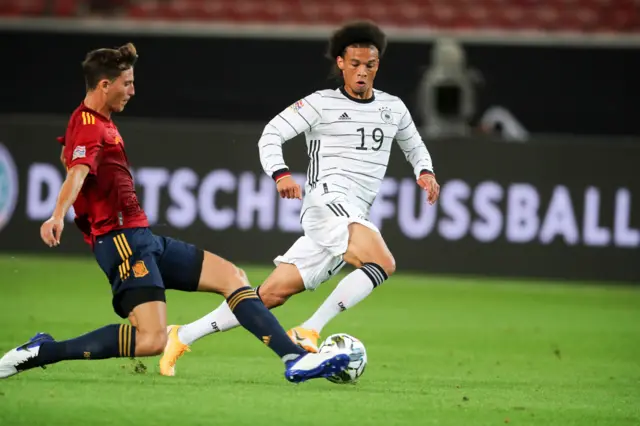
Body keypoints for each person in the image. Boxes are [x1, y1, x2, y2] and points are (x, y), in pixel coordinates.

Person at [0, 42, 349, 383]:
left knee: (233, 278)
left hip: (140, 237)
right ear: (105, 85)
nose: (132, 91)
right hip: (121, 241)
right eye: (127, 83)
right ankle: (42, 353)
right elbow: (77, 170)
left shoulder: (90, 120)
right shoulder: (91, 126)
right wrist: (58, 214)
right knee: (151, 340)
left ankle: (294, 358)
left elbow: (70, 160)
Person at [160, 20, 440, 376]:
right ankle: (311, 328)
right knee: (383, 262)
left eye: (369, 65)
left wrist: (425, 173)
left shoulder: (393, 108)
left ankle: (183, 334)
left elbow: (415, 148)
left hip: (355, 209)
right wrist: (280, 173)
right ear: (341, 63)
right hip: (328, 203)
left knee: (271, 294)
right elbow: (271, 133)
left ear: (377, 66)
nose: (361, 72)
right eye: (354, 64)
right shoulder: (320, 104)